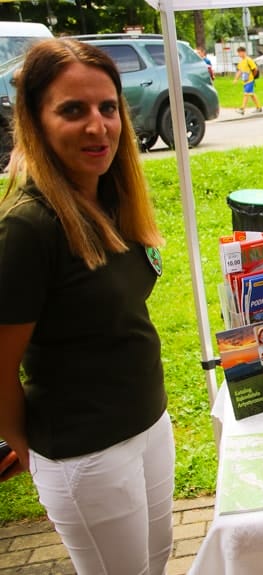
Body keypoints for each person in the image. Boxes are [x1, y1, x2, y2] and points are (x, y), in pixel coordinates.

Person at [0, 39, 174, 574]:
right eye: (72, 110)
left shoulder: (113, 197)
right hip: (86, 452)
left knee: (158, 560)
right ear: (35, 119)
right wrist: (33, 453)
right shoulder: (28, 227)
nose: (98, 126)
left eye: (107, 107)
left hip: (149, 422)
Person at [233, 46, 262, 115]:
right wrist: (236, 79)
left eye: (240, 53)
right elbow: (239, 71)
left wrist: (252, 77)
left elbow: (255, 69)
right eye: (238, 53)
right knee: (252, 94)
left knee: (246, 94)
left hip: (250, 80)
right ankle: (259, 108)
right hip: (245, 81)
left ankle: (242, 109)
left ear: (244, 52)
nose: (239, 54)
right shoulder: (241, 62)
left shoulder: (248, 60)